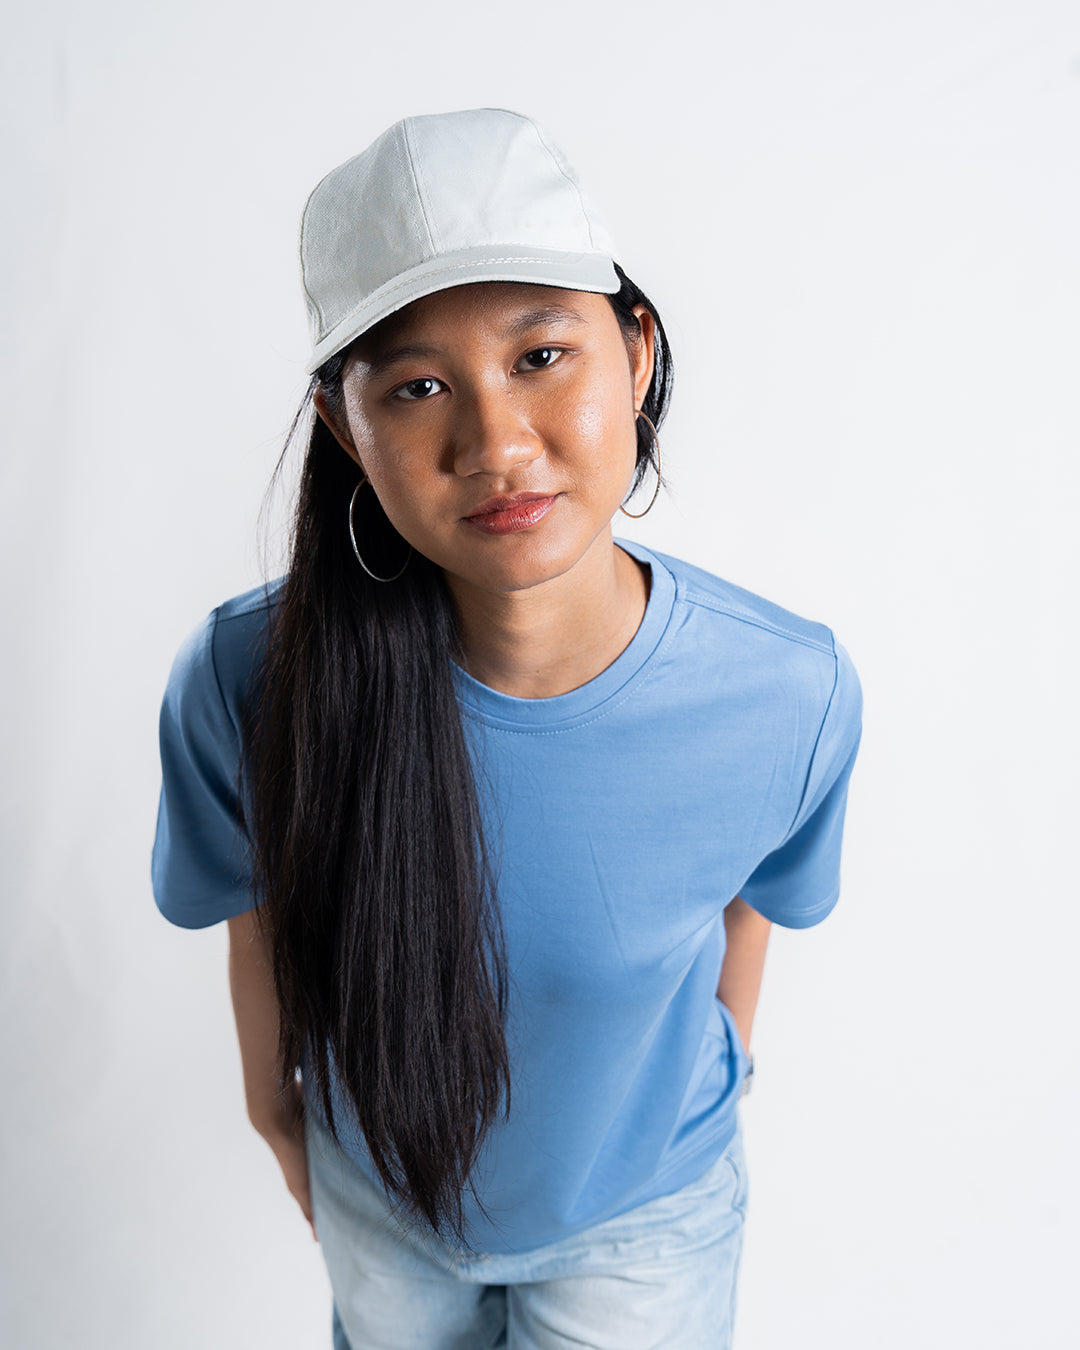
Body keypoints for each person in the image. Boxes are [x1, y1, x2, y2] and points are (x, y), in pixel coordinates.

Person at [152, 108, 862, 1350]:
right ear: (345, 426)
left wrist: (706, 1088)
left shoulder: (783, 689)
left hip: (644, 1224)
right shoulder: (247, 677)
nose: (496, 443)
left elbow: (751, 903)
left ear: (634, 353)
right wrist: (279, 1118)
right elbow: (255, 909)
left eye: (541, 355)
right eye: (419, 386)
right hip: (383, 1203)